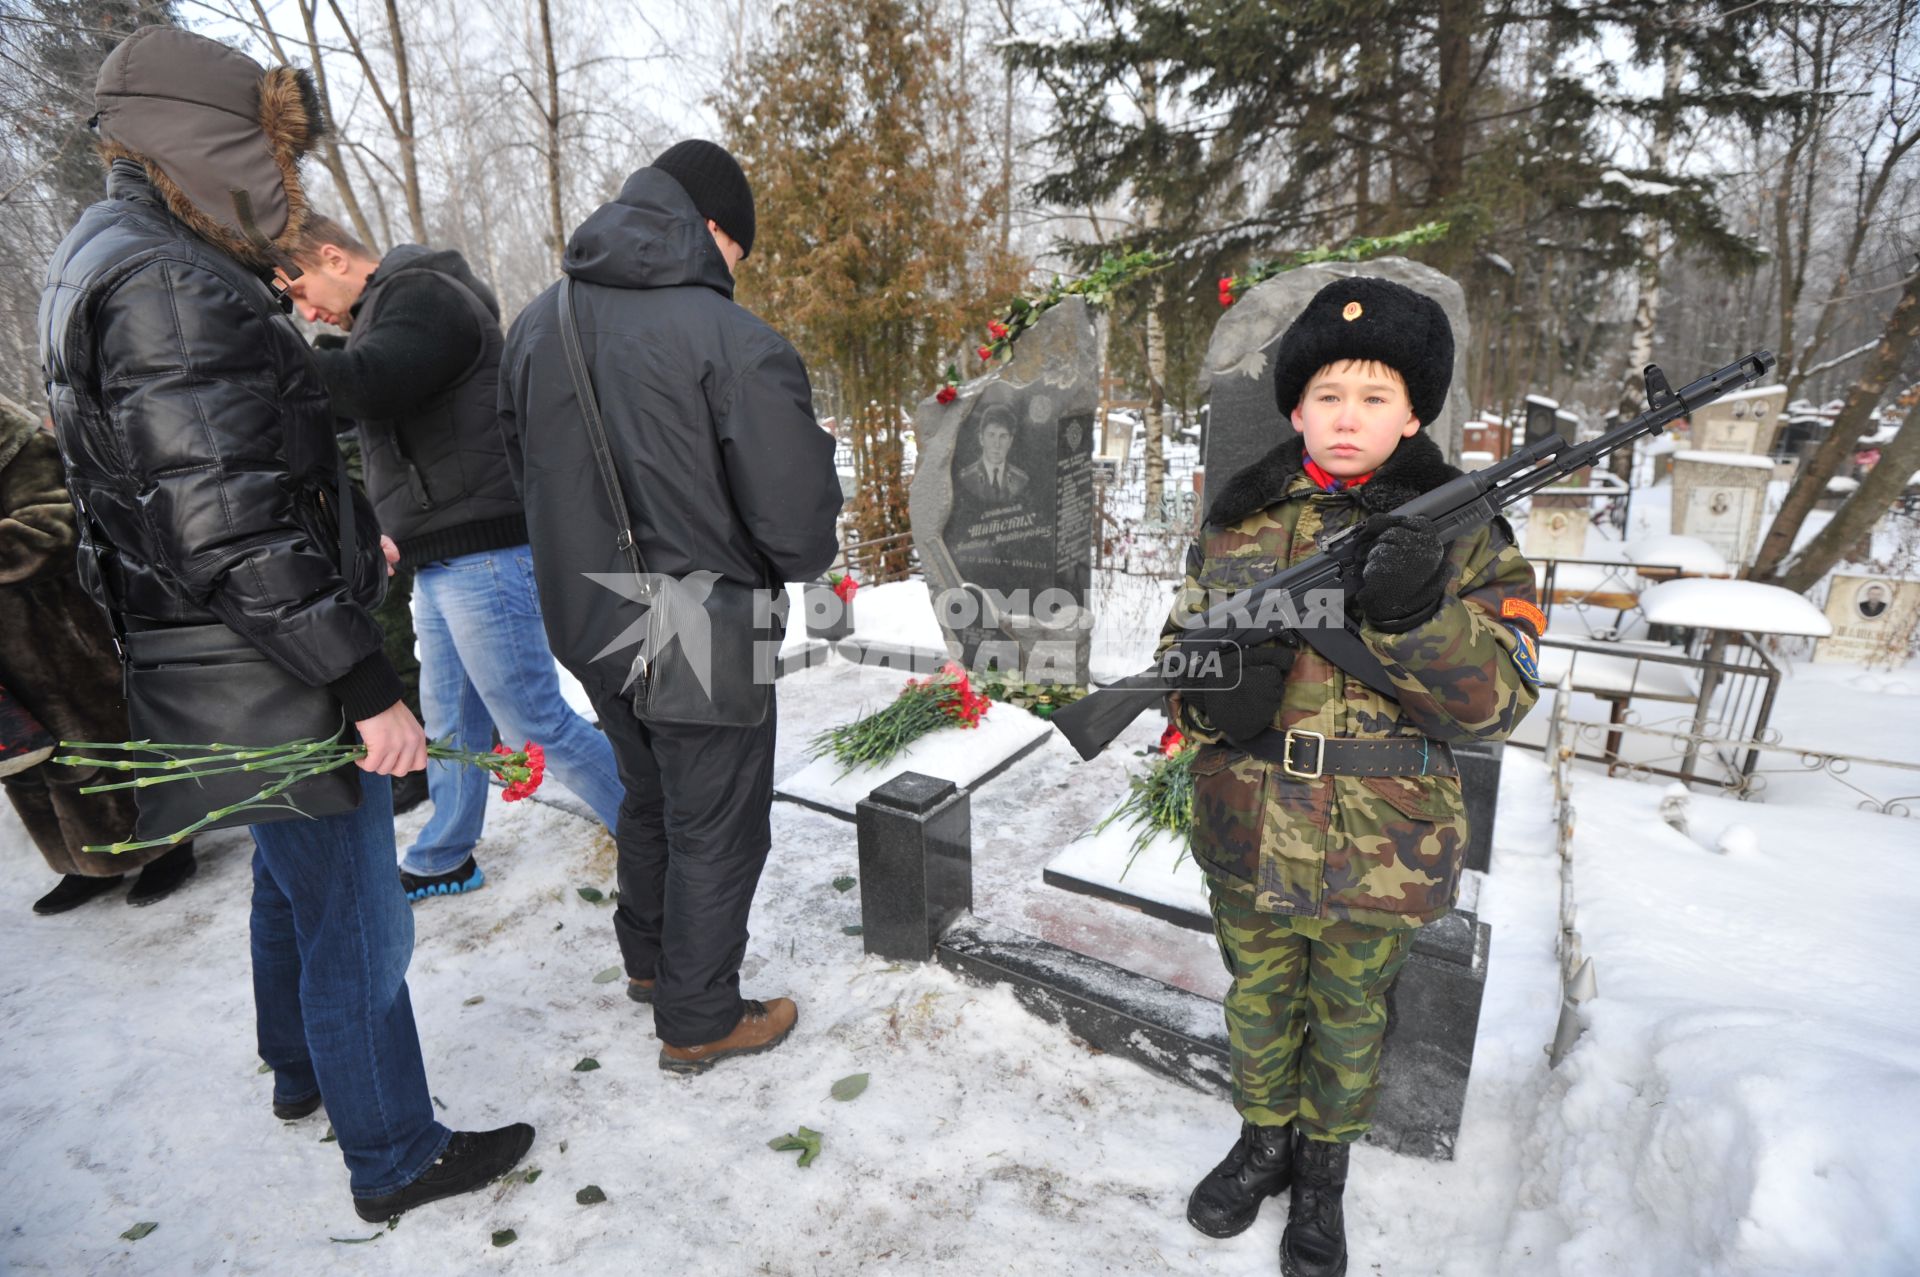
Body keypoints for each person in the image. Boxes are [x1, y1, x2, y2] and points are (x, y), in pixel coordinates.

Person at [40, 26, 529, 1219]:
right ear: (202, 147)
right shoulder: (166, 279)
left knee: (288, 871)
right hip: (268, 658)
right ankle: (396, 1153)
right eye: (263, 156)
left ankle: (302, 1070)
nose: (282, 191)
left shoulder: (112, 251)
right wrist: (364, 682)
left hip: (215, 651)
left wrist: (352, 529)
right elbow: (229, 523)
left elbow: (221, 472)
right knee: (357, 917)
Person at [1163, 277, 1540, 1277]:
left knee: (1349, 1014)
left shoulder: (1464, 535)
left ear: (1414, 412)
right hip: (1247, 821)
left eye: (1375, 397)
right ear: (1295, 408)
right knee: (1257, 998)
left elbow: (1500, 701)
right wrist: (1218, 693)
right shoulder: (1238, 520)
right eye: (1328, 394)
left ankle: (1322, 1170)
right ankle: (1261, 1142)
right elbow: (1175, 658)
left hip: (1384, 843)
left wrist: (1421, 613)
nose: (1348, 416)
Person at [499, 140, 841, 1074]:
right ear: (714, 229)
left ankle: (651, 961)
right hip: (700, 624)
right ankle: (698, 1014)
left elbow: (517, 470)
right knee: (718, 817)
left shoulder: (536, 324)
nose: (737, 274)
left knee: (648, 794)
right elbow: (799, 529)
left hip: (589, 617)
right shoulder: (736, 341)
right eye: (742, 252)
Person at [277, 215, 624, 902]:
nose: (307, 310)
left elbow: (369, 384)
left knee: (532, 720)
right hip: (442, 556)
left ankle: (657, 828)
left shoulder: (424, 293)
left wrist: (272, 352)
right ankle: (446, 853)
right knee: (453, 718)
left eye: (300, 291)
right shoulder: (384, 314)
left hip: (485, 551)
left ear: (332, 257)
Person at [0, 402, 197, 912]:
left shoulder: (12, 440)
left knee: (103, 742)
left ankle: (166, 847)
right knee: (31, 764)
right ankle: (86, 861)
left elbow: (58, 524)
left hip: (54, 633)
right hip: (8, 655)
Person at [955, 404, 1030, 505]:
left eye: (1003, 436)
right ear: (981, 439)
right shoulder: (966, 479)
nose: (997, 444)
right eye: (991, 435)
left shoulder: (1021, 480)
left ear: (1010, 441)